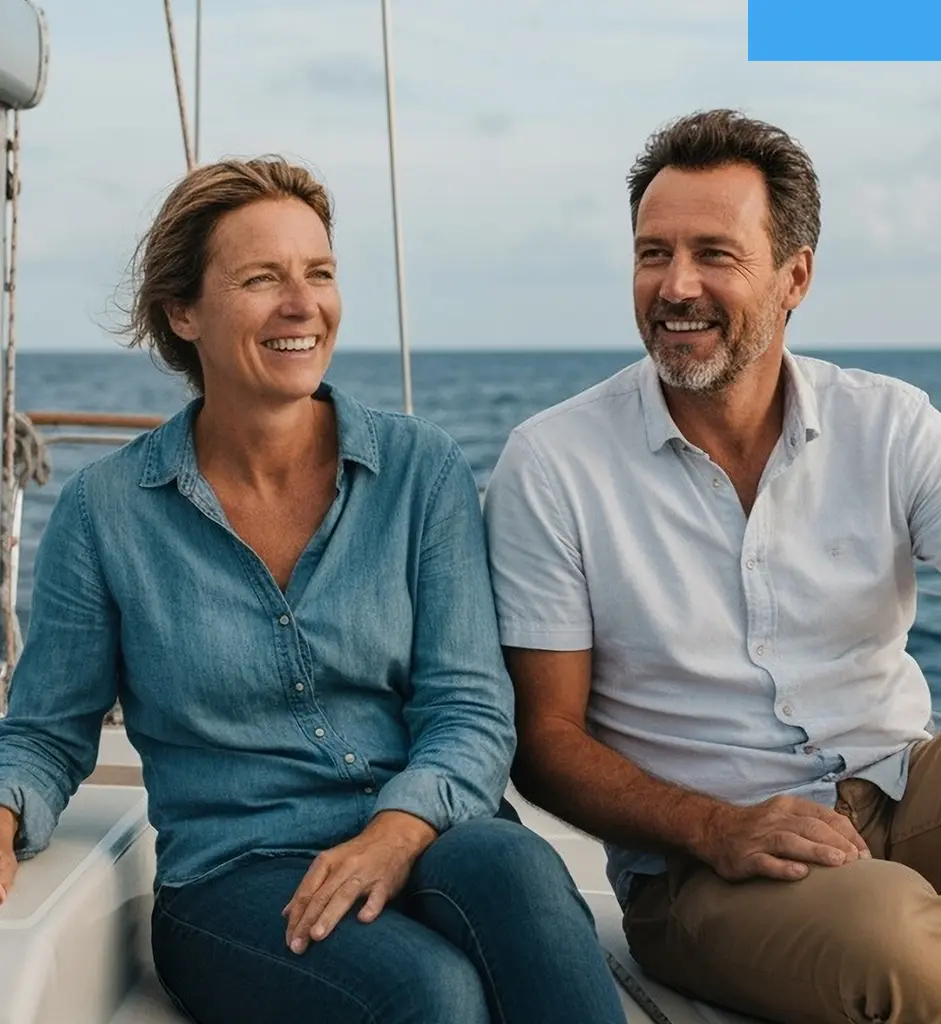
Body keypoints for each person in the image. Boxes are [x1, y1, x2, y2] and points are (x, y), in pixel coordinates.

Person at [0, 157, 627, 1024]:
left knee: (516, 870)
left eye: (319, 274)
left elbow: (471, 711)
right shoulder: (106, 512)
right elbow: (43, 730)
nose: (303, 305)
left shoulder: (421, 470)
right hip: (233, 879)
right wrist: (3, 811)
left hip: (426, 834)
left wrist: (396, 831)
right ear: (183, 313)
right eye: (262, 279)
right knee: (431, 993)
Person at [482, 108, 941, 1024]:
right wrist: (716, 828)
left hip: (902, 796)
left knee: (887, 910)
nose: (675, 285)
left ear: (794, 276)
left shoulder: (888, 423)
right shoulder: (554, 463)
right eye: (653, 253)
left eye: (714, 254)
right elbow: (545, 744)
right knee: (890, 933)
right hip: (703, 874)